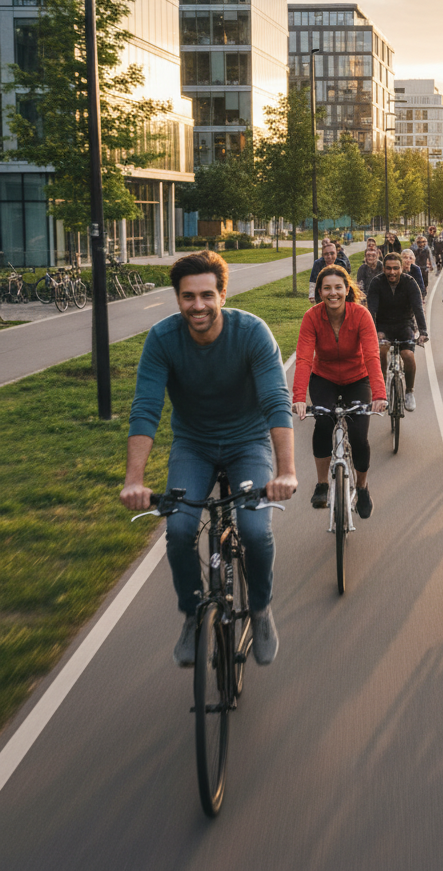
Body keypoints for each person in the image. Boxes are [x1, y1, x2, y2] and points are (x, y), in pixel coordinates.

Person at [120, 250, 297, 667]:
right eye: (187, 296)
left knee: (254, 530)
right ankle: (192, 614)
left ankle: (260, 609)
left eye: (205, 295)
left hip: (247, 442)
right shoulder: (163, 339)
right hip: (193, 445)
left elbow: (275, 400)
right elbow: (146, 408)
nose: (197, 305)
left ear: (221, 294)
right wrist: (134, 479)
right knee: (179, 528)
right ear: (177, 297)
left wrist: (287, 472)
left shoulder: (252, 332)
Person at [293, 264, 387, 516]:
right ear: (319, 292)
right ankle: (322, 483)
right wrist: (299, 398)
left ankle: (363, 487)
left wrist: (379, 394)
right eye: (327, 288)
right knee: (323, 422)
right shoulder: (312, 317)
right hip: (324, 377)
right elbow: (303, 358)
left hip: (358, 378)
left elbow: (371, 356)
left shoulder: (361, 315)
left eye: (338, 287)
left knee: (358, 436)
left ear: (347, 290)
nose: (332, 293)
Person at [366, 253, 428, 411]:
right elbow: (371, 310)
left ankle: (409, 391)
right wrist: (373, 332)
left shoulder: (410, 283)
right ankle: (382, 388)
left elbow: (418, 308)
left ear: (402, 268)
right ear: (383, 268)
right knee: (381, 350)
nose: (392, 272)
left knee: (407, 355)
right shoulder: (376, 283)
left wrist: (423, 332)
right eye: (388, 268)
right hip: (383, 325)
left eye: (395, 268)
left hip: (404, 323)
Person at [308, 239, 349, 303]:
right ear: (323, 255)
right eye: (326, 254)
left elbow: (347, 282)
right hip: (322, 295)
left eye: (332, 253)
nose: (329, 256)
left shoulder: (341, 264)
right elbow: (313, 280)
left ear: (336, 253)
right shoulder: (318, 264)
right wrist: (312, 295)